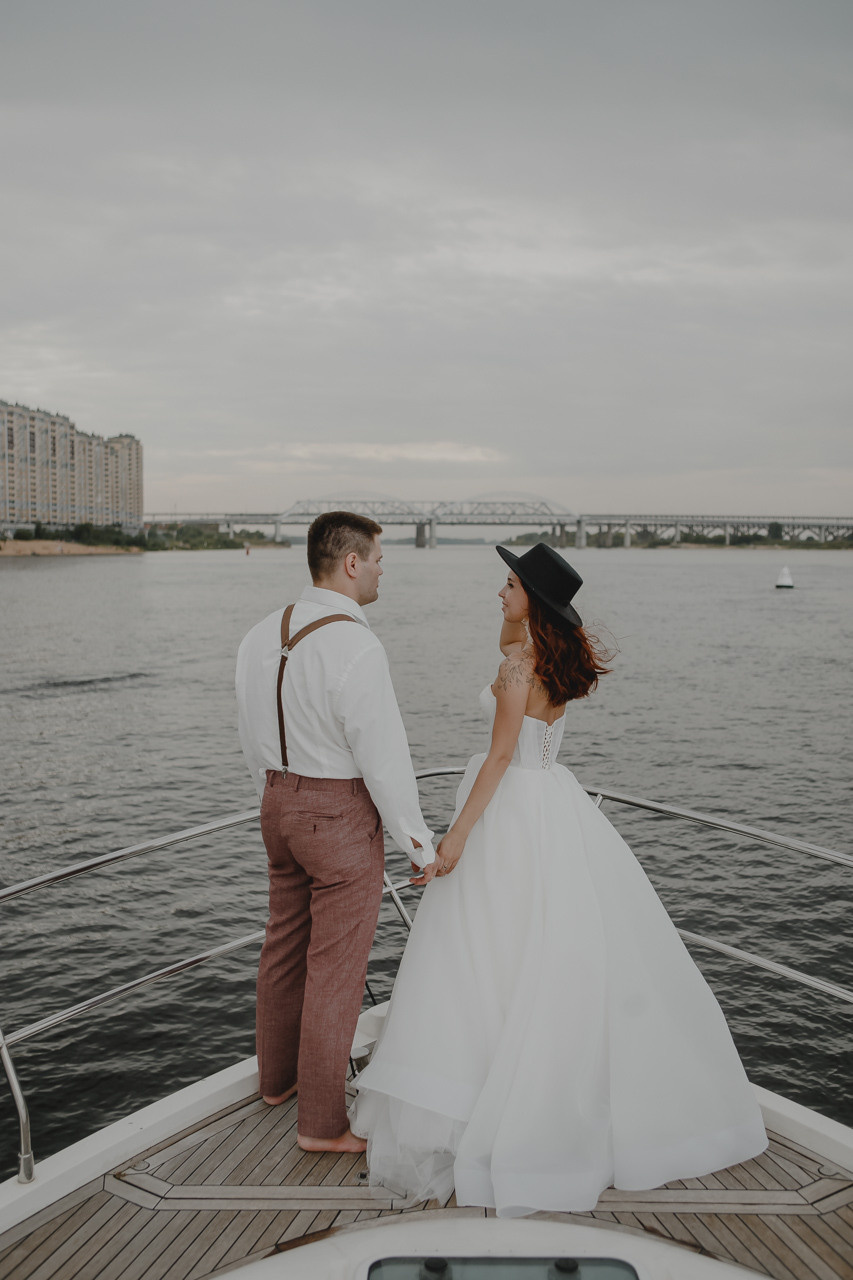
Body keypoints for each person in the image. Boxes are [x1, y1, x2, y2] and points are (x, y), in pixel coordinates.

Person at [351, 542, 767, 1214]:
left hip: (509, 807)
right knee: (538, 947)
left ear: (533, 601)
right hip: (553, 805)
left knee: (486, 950)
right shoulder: (548, 660)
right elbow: (508, 643)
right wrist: (519, 616)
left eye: (508, 585)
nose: (498, 593)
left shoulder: (518, 671)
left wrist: (454, 838)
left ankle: (489, 1096)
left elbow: (496, 761)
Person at [236, 510, 436, 1155]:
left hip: (276, 801)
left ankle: (276, 1083)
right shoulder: (357, 644)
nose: (383, 569)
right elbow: (384, 758)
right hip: (337, 815)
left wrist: (281, 793)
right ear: (351, 563)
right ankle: (322, 1125)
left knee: (283, 947)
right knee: (335, 972)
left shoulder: (260, 634)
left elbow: (251, 735)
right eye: (379, 558)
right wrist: (418, 844)